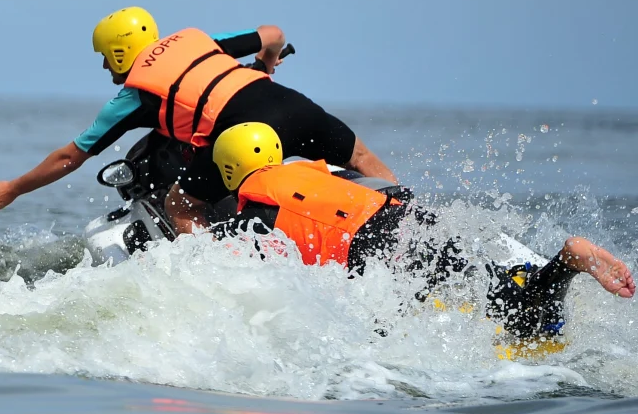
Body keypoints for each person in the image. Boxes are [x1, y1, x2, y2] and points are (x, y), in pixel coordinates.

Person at [166, 122, 634, 339]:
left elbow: (265, 282)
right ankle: (552, 269)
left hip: (374, 250)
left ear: (228, 171)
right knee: (485, 282)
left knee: (517, 321)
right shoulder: (312, 172)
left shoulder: (252, 217)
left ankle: (565, 264)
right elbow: (378, 185)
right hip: (403, 217)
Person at [0, 6, 395, 217]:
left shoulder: (134, 96)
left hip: (240, 130)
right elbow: (274, 34)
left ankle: (214, 278)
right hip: (289, 102)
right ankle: (410, 218)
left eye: (105, 56)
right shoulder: (198, 40)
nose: (104, 66)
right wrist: (263, 67)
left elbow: (69, 156)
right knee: (360, 159)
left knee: (181, 205)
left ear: (120, 51)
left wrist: (14, 188)